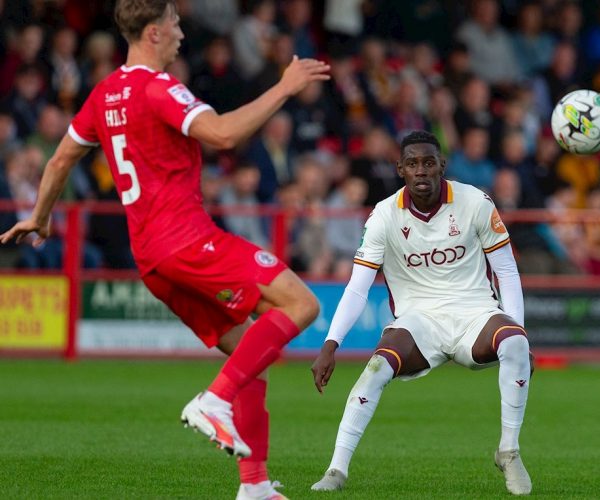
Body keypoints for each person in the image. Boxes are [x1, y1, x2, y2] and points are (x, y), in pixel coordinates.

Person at [0, 2, 329, 499]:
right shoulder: (161, 89)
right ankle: (214, 400)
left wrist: (41, 217)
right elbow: (222, 134)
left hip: (151, 258)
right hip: (188, 239)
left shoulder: (105, 92)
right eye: (174, 23)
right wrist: (284, 86)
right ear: (153, 32)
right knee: (303, 303)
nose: (181, 32)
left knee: (250, 354)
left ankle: (255, 487)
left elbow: (62, 156)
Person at [310, 130, 533, 495]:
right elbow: (357, 287)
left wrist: (520, 335)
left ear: (441, 165)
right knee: (378, 366)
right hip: (419, 321)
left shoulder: (475, 202)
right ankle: (336, 470)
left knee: (513, 342)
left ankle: (508, 451)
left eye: (429, 162)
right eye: (412, 164)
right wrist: (330, 344)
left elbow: (507, 271)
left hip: (474, 313)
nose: (421, 171)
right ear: (400, 169)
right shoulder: (383, 215)